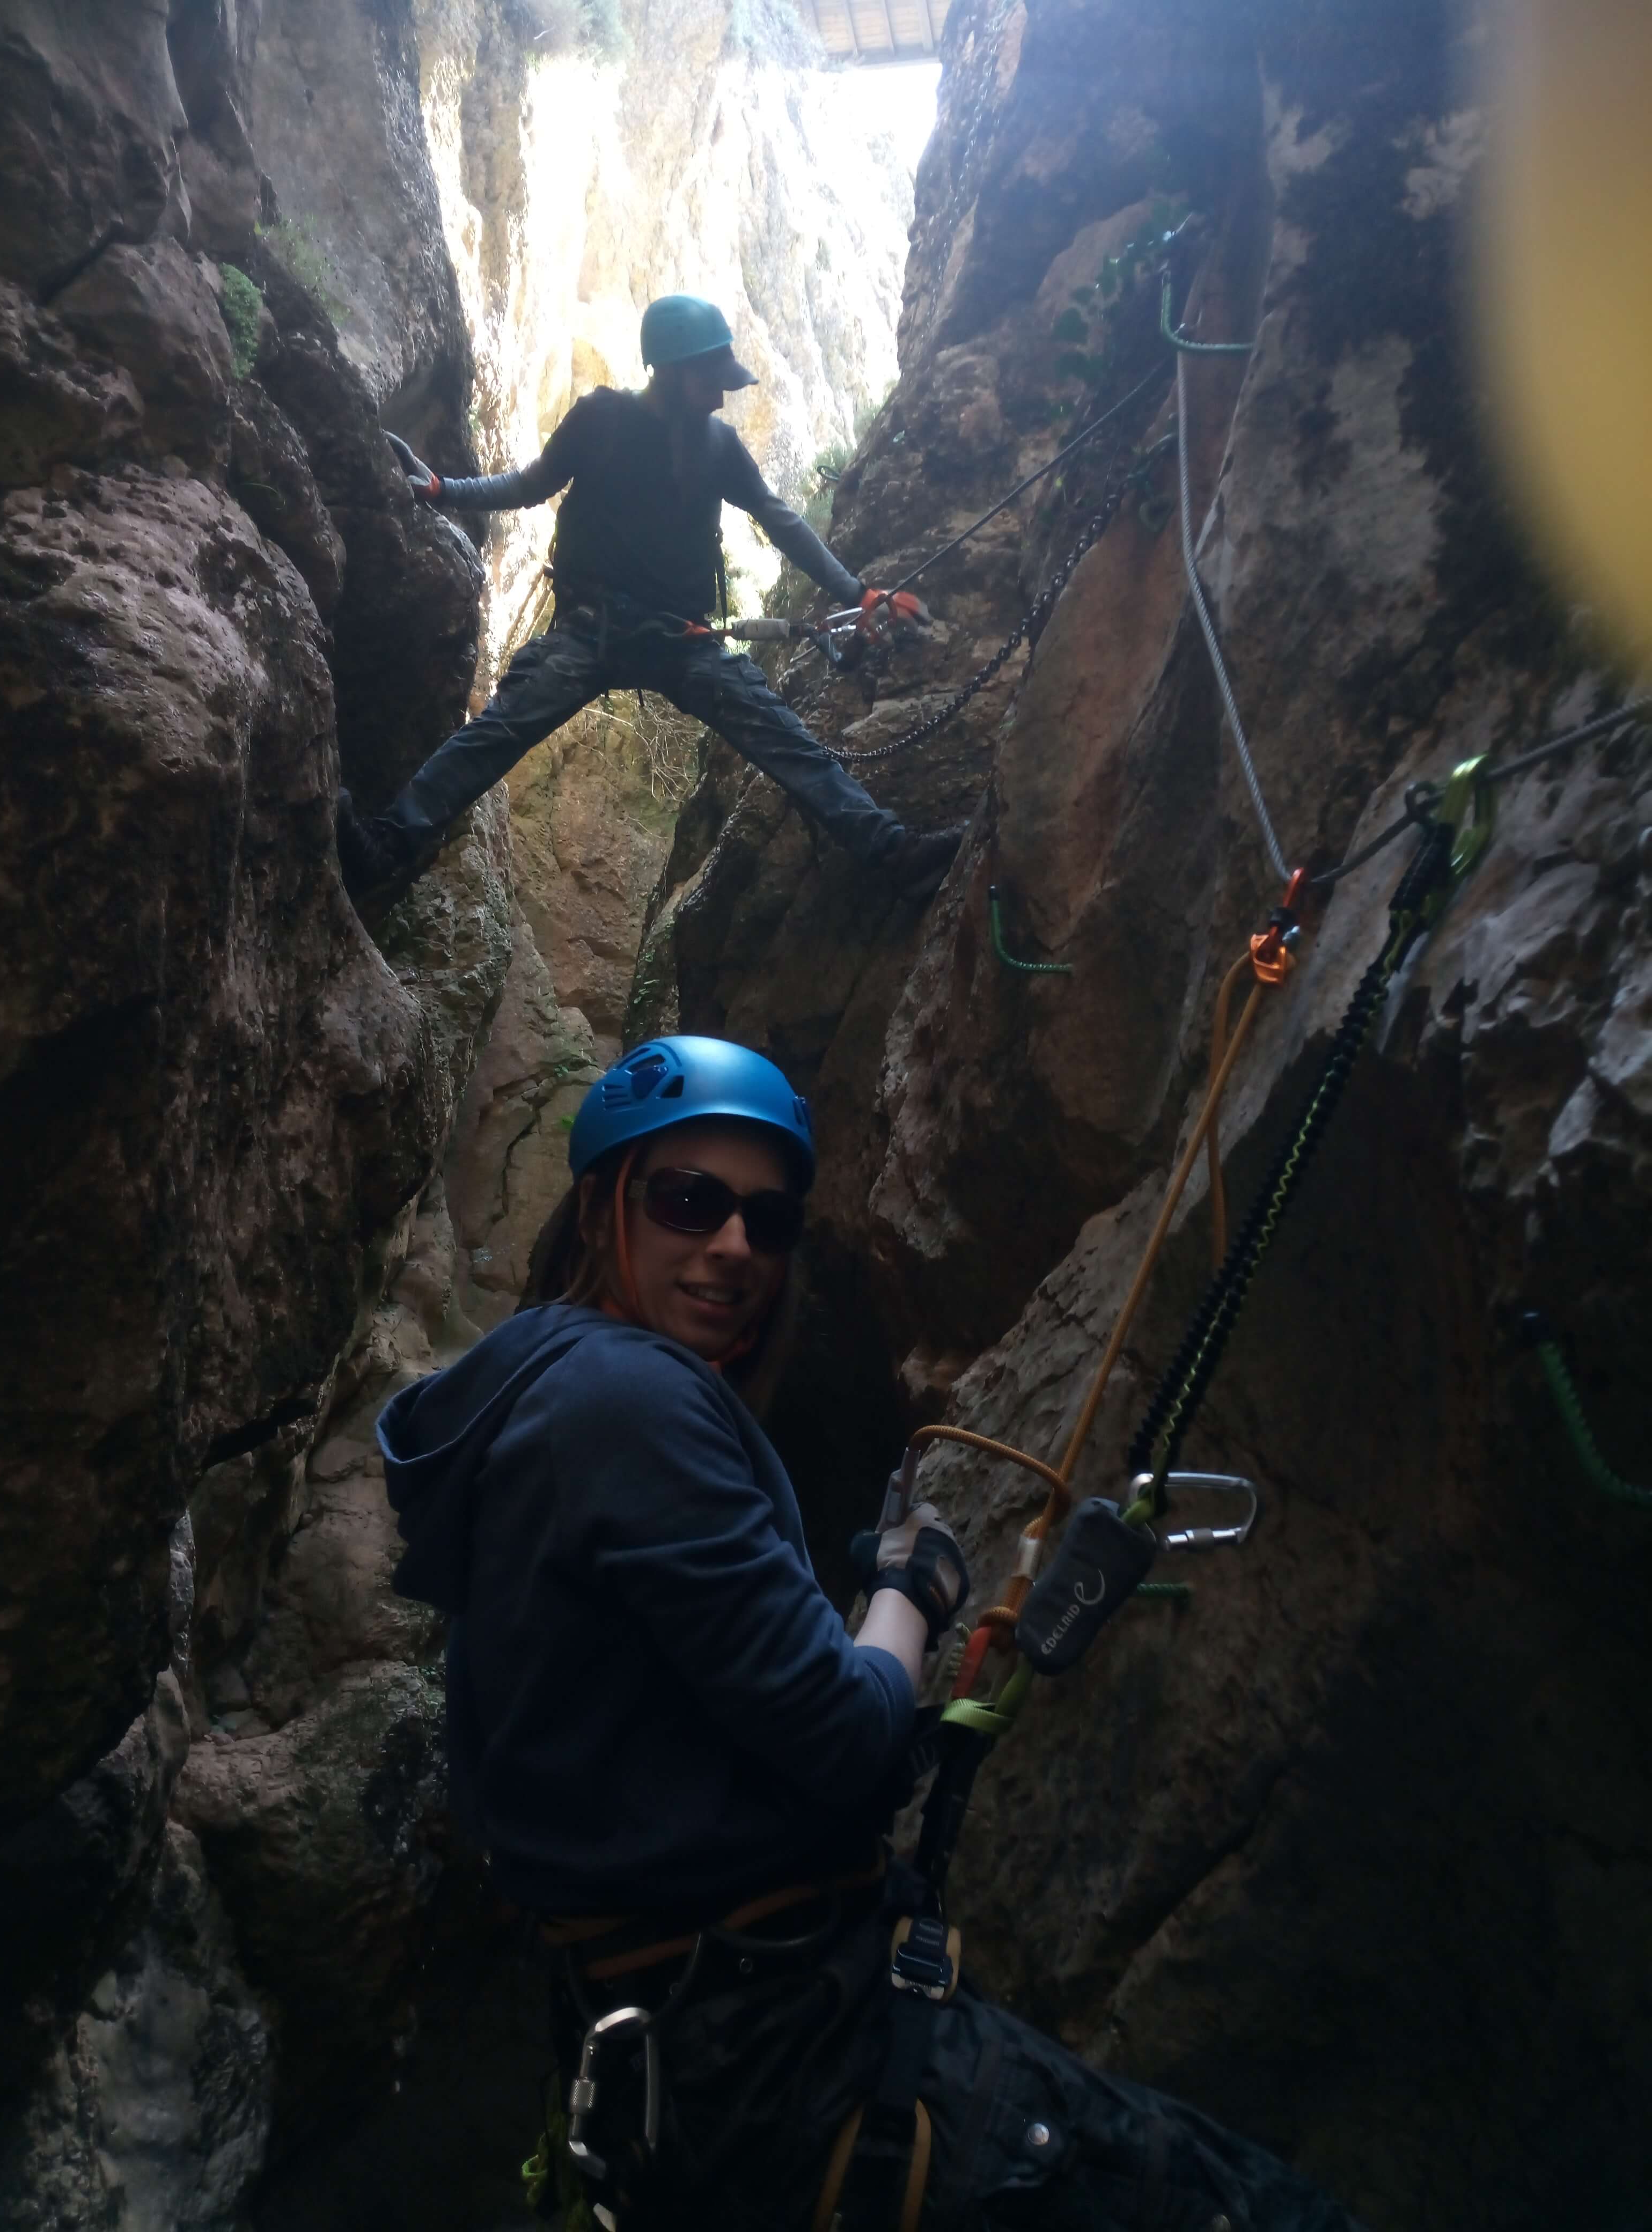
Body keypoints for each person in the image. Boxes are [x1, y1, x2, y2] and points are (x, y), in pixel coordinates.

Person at [378, 1035, 1364, 2232]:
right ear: (602, 1205)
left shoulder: (537, 1385)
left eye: (768, 1220)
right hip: (792, 2055)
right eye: (690, 1201)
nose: (733, 1244)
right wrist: (913, 1587)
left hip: (684, 2059)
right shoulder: (630, 1403)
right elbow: (851, 1738)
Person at [336, 296, 964, 901]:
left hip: (680, 639)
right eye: (709, 380)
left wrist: (859, 592)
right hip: (592, 629)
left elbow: (780, 520)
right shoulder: (599, 418)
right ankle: (384, 848)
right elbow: (530, 485)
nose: (720, 397)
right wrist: (445, 490)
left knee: (785, 739)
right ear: (668, 369)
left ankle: (894, 855)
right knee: (497, 732)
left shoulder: (718, 446)